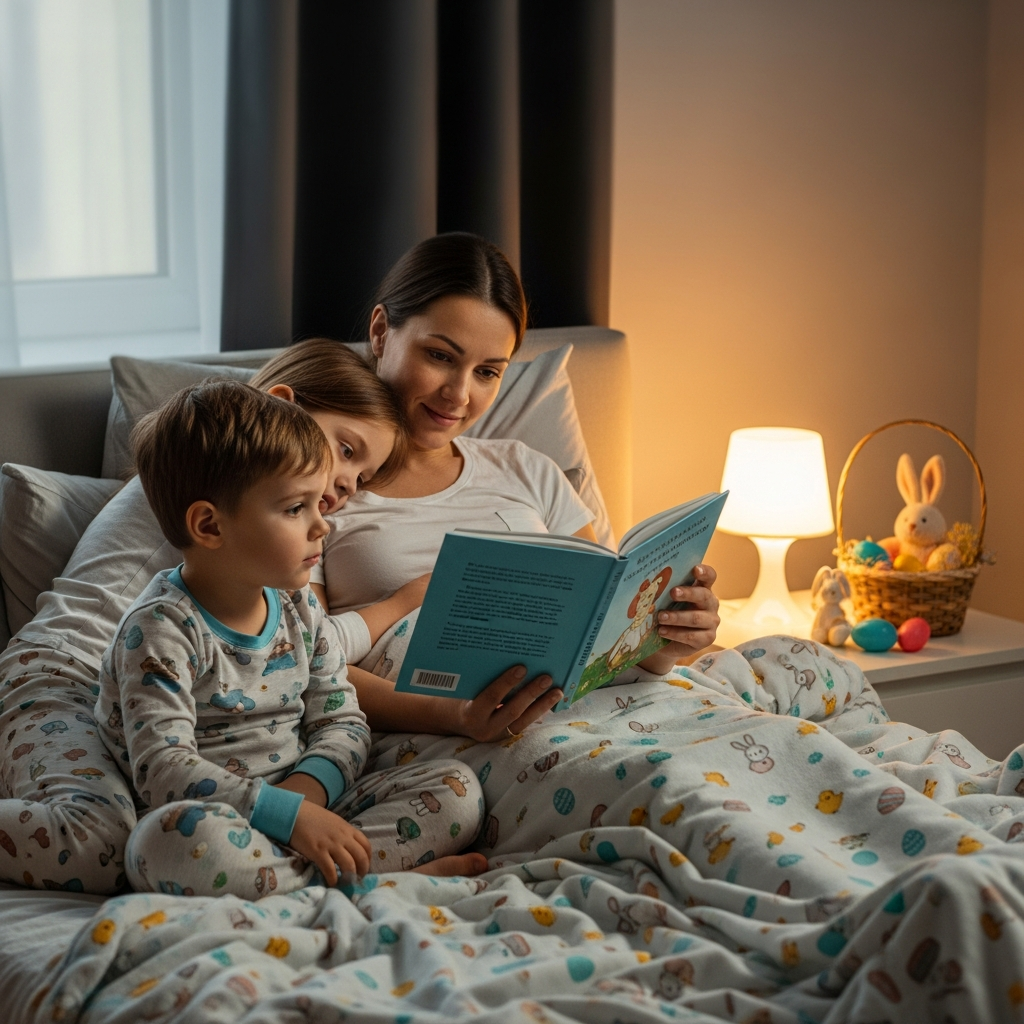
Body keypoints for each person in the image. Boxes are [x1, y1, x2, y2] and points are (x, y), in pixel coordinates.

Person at [0, 340, 505, 894]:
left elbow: (322, 686)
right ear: (281, 405)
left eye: (361, 478)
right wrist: (405, 614)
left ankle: (303, 874)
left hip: (227, 766)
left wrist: (303, 796)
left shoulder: (282, 580)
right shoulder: (199, 483)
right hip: (62, 675)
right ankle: (371, 882)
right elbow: (164, 762)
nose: (340, 497)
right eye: (345, 450)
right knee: (108, 844)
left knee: (454, 789)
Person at [313, 233, 722, 732]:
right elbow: (301, 668)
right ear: (381, 332)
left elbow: (593, 643)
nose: (459, 394)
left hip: (600, 711)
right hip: (448, 733)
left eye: (486, 371)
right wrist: (456, 717)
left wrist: (664, 644)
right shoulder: (319, 489)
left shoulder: (529, 469)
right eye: (440, 356)